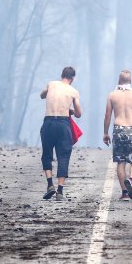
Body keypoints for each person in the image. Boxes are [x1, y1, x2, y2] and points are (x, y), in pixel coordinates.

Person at [103, 70, 132, 201]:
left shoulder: (112, 95)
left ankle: (124, 193)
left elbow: (107, 115)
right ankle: (131, 180)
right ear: (130, 81)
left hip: (118, 129)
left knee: (120, 161)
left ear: (119, 80)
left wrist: (105, 133)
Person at [40, 66, 82, 201]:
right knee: (63, 156)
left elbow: (42, 95)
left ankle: (49, 185)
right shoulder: (74, 91)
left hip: (48, 123)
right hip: (63, 125)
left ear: (62, 75)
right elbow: (78, 114)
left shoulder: (51, 84)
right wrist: (69, 110)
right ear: (72, 78)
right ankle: (60, 191)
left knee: (47, 154)